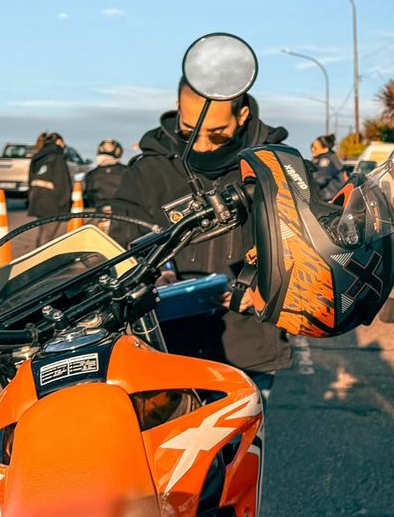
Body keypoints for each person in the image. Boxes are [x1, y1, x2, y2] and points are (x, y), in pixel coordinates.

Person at [110, 67, 291, 398]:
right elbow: (120, 248)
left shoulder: (277, 167)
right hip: (164, 354)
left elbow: (306, 252)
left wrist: (265, 290)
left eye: (218, 133)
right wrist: (151, 277)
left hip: (247, 354)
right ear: (178, 111)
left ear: (243, 115)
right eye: (190, 130)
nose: (204, 145)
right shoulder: (146, 171)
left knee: (239, 450)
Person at [25, 132, 72, 245]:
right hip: (52, 200)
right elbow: (62, 181)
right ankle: (41, 260)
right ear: (58, 141)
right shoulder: (57, 156)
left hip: (37, 197)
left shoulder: (39, 155)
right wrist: (64, 203)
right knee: (48, 236)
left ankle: (36, 258)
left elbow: (31, 178)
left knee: (43, 232)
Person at [83, 139, 127, 212]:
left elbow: (87, 197)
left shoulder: (92, 175)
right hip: (124, 214)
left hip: (96, 214)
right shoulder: (128, 171)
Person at [309, 133, 347, 202]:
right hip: (329, 196)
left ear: (325, 149)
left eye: (315, 148)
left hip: (329, 198)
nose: (312, 149)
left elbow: (321, 179)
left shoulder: (326, 160)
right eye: (312, 146)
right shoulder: (328, 157)